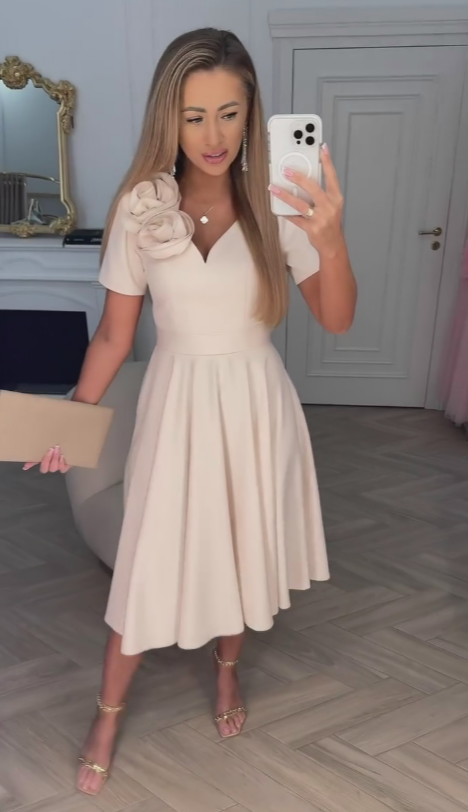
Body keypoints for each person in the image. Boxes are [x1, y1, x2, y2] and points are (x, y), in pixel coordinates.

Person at [24, 27, 356, 796]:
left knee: (239, 546)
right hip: (175, 409)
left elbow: (337, 319)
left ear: (251, 114)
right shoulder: (141, 205)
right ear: (167, 118)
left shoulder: (282, 203)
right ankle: (108, 714)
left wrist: (332, 241)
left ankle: (227, 671)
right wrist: (68, 422)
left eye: (230, 114)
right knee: (147, 561)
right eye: (195, 115)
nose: (213, 135)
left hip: (255, 405)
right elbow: (114, 335)